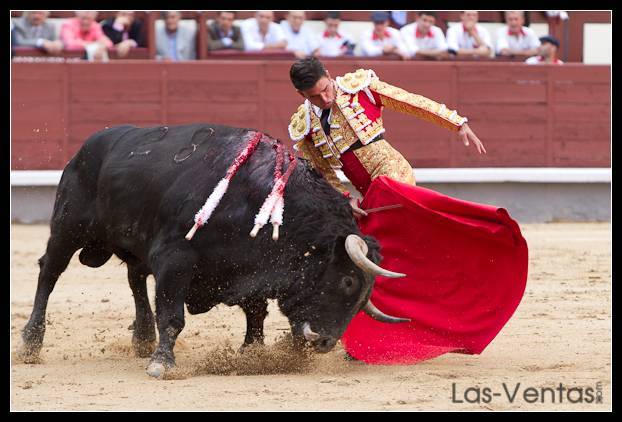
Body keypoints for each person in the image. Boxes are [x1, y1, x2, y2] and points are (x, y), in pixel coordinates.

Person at [287, 57, 528, 364]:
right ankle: (372, 331)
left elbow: (412, 102)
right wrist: (344, 198)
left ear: (329, 76)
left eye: (325, 90)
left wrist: (457, 123)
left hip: (392, 178)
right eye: (314, 97)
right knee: (371, 258)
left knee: (379, 250)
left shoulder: (360, 88)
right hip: (367, 196)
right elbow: (323, 171)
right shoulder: (304, 125)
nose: (325, 99)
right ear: (302, 96)